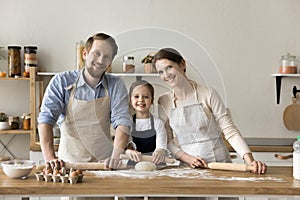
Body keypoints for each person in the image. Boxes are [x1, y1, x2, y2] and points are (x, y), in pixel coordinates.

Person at [154, 48, 267, 174]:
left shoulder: (208, 94)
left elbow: (230, 131)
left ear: (182, 64)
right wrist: (188, 159)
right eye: (160, 72)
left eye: (169, 67)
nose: (166, 75)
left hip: (220, 164)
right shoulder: (164, 101)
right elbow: (168, 140)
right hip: (188, 168)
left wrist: (249, 160)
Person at [37, 32, 131, 170]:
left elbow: (122, 122)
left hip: (104, 165)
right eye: (96, 53)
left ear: (110, 62)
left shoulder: (116, 84)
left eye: (106, 57)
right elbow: (46, 120)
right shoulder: (61, 81)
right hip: (68, 165)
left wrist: (115, 158)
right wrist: (50, 159)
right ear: (85, 54)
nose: (100, 60)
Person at [125, 80, 168, 164]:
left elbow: (161, 146)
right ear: (130, 99)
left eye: (146, 97)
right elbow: (125, 146)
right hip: (134, 166)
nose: (141, 100)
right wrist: (128, 151)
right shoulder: (127, 123)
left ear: (152, 100)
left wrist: (160, 151)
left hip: (156, 164)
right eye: (136, 96)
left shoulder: (158, 123)